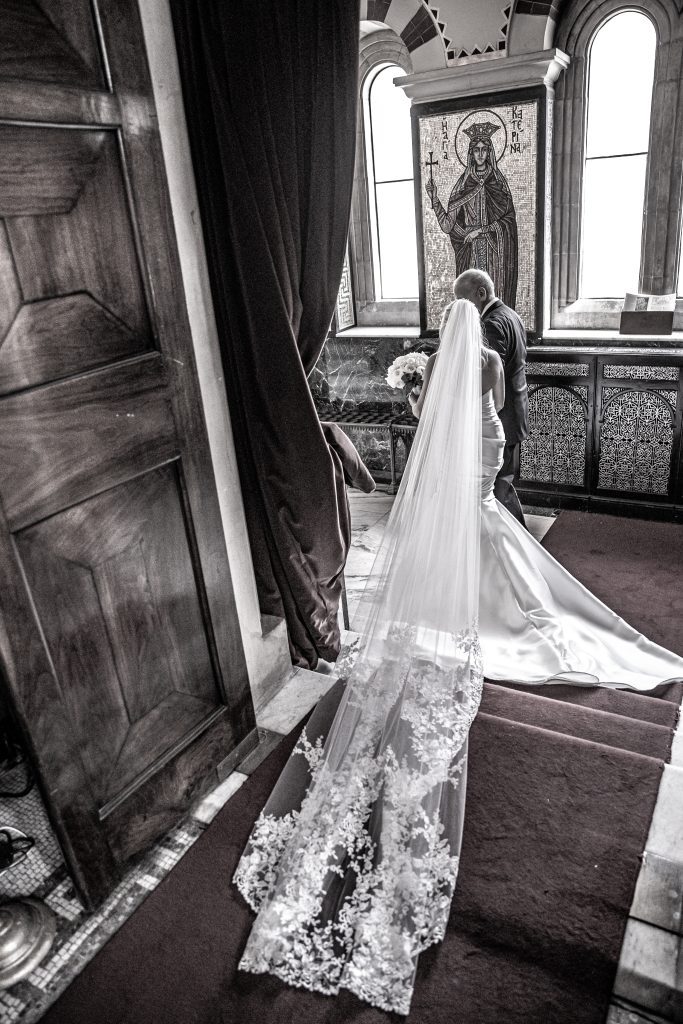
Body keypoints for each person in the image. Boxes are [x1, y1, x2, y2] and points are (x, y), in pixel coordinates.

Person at [233, 301, 683, 1015]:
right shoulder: (494, 362)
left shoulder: (441, 362)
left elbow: (428, 413)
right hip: (488, 442)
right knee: (487, 520)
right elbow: (497, 404)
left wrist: (424, 392)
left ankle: (469, 603)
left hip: (454, 450)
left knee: (469, 524)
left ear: (446, 329)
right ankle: (496, 605)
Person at [447, 268, 528, 526]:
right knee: (501, 483)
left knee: (496, 489)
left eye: (463, 299)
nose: (461, 308)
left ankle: (512, 538)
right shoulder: (511, 314)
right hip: (514, 413)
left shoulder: (491, 324)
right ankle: (514, 537)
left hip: (497, 418)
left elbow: (485, 381)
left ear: (481, 293)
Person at [426, 121, 518, 308]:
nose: (481, 154)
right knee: (472, 305)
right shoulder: (463, 186)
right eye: (476, 150)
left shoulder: (498, 184)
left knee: (492, 301)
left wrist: (482, 231)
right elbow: (446, 225)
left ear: (490, 152)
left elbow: (508, 220)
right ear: (470, 153)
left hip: (495, 253)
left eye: (484, 149)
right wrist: (434, 198)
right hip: (471, 253)